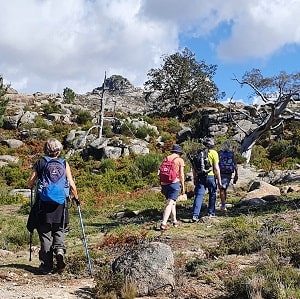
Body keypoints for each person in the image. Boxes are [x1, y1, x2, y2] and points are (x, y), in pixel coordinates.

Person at [27, 138, 80, 274]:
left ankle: (46, 266)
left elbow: (30, 183)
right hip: (60, 205)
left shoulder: (40, 162)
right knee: (59, 229)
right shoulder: (63, 163)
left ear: (46, 149)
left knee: (45, 233)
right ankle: (60, 251)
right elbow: (71, 183)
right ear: (59, 150)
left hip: (43, 205)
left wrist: (35, 183)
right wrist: (77, 198)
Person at [191, 138, 222, 221]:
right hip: (210, 176)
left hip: (200, 176)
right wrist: (219, 180)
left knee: (199, 195)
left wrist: (194, 178)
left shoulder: (198, 153)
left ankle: (195, 215)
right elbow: (216, 168)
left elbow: (193, 167)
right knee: (212, 194)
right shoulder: (213, 153)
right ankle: (211, 212)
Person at [159, 144, 185, 230]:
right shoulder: (179, 160)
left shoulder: (166, 158)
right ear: (179, 153)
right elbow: (181, 174)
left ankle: (174, 221)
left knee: (172, 201)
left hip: (164, 183)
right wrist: (183, 186)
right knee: (170, 203)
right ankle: (164, 223)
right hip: (174, 183)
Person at [219, 141, 238, 211]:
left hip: (221, 172)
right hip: (229, 173)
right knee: (224, 188)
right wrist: (236, 174)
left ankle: (223, 205)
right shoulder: (231, 153)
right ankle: (223, 204)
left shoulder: (219, 153)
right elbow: (235, 164)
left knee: (222, 189)